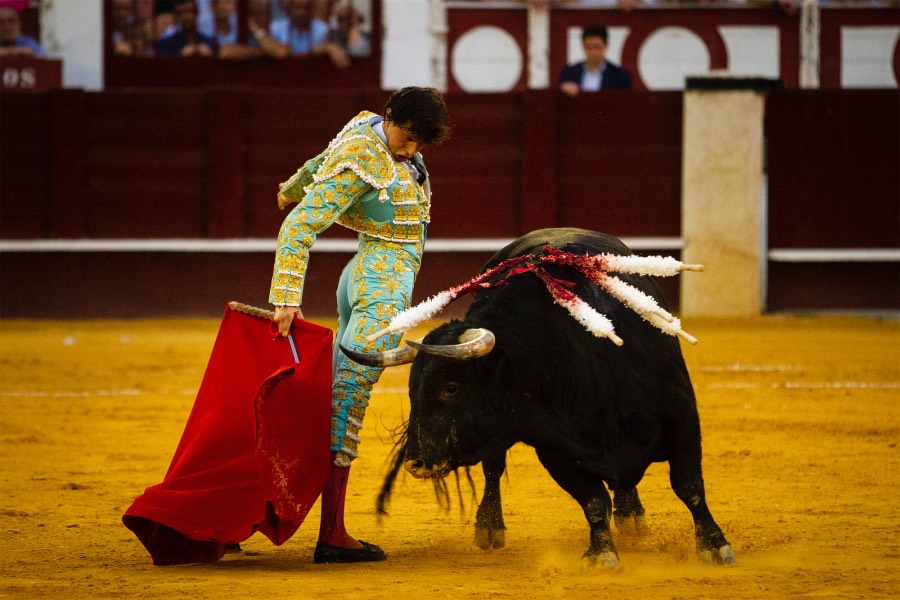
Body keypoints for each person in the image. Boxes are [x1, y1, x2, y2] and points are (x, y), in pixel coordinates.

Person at [270, 87, 450, 563]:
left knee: (335, 395)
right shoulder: (364, 156)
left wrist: (292, 187)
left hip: (364, 271)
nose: (411, 151)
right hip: (381, 285)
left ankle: (313, 514)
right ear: (391, 118)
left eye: (419, 145)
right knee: (347, 401)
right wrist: (286, 297)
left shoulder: (365, 125)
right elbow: (298, 228)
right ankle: (332, 534)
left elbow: (321, 159)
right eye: (408, 139)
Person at [559, 23, 632, 96]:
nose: (593, 52)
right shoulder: (569, 73)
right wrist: (562, 90)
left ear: (606, 47)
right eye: (589, 47)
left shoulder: (621, 76)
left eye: (597, 47)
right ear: (583, 47)